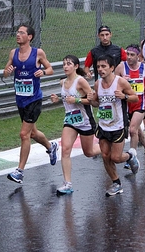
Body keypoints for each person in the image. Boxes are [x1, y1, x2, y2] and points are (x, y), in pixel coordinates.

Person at [4, 24, 58, 184]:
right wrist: (7, 72)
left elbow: (50, 69)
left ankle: (19, 171)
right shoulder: (13, 53)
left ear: (30, 37)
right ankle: (51, 147)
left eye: (22, 33)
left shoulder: (37, 53)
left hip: (34, 99)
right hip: (20, 99)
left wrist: (43, 71)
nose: (18, 35)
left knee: (24, 134)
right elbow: (6, 71)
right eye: (17, 32)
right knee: (32, 133)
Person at [87, 54, 139, 196]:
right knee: (105, 155)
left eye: (104, 66)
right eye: (98, 67)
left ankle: (130, 156)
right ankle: (116, 183)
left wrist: (125, 97)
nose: (100, 69)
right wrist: (92, 100)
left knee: (115, 158)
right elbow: (98, 103)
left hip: (118, 126)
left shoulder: (120, 82)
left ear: (111, 68)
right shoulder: (97, 84)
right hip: (103, 125)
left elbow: (135, 98)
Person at [50, 55, 100, 195]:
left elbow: (93, 101)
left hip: (85, 121)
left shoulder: (81, 81)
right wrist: (58, 99)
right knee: (65, 149)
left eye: (69, 64)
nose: (66, 66)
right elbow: (68, 99)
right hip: (70, 121)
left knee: (89, 152)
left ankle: (106, 146)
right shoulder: (63, 82)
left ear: (76, 66)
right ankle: (67, 184)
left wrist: (77, 99)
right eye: (64, 64)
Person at [114, 44, 145, 167]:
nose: (129, 57)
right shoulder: (121, 67)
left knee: (132, 130)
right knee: (137, 131)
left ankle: (132, 157)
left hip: (140, 103)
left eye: (132, 55)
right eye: (127, 54)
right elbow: (113, 82)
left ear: (138, 56)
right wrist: (121, 80)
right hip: (126, 104)